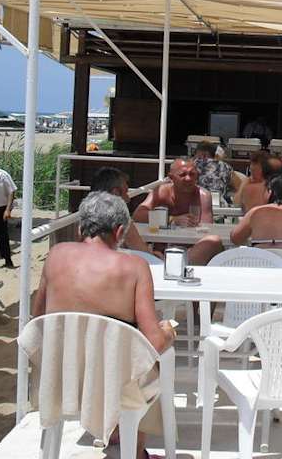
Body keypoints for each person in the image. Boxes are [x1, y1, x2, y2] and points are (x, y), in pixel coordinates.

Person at [32, 190, 176, 459]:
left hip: (62, 377)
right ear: (120, 231)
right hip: (111, 383)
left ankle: (113, 430)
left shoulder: (56, 255)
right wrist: (168, 332)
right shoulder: (135, 267)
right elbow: (154, 342)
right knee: (150, 361)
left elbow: (37, 317)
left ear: (80, 228)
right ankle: (136, 451)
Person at [132, 158, 223, 266]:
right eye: (182, 175)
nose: (188, 178)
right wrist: (172, 219)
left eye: (192, 174)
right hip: (161, 251)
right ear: (171, 177)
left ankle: (177, 266)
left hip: (190, 252)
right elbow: (138, 215)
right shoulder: (161, 192)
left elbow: (206, 229)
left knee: (214, 241)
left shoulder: (203, 196)